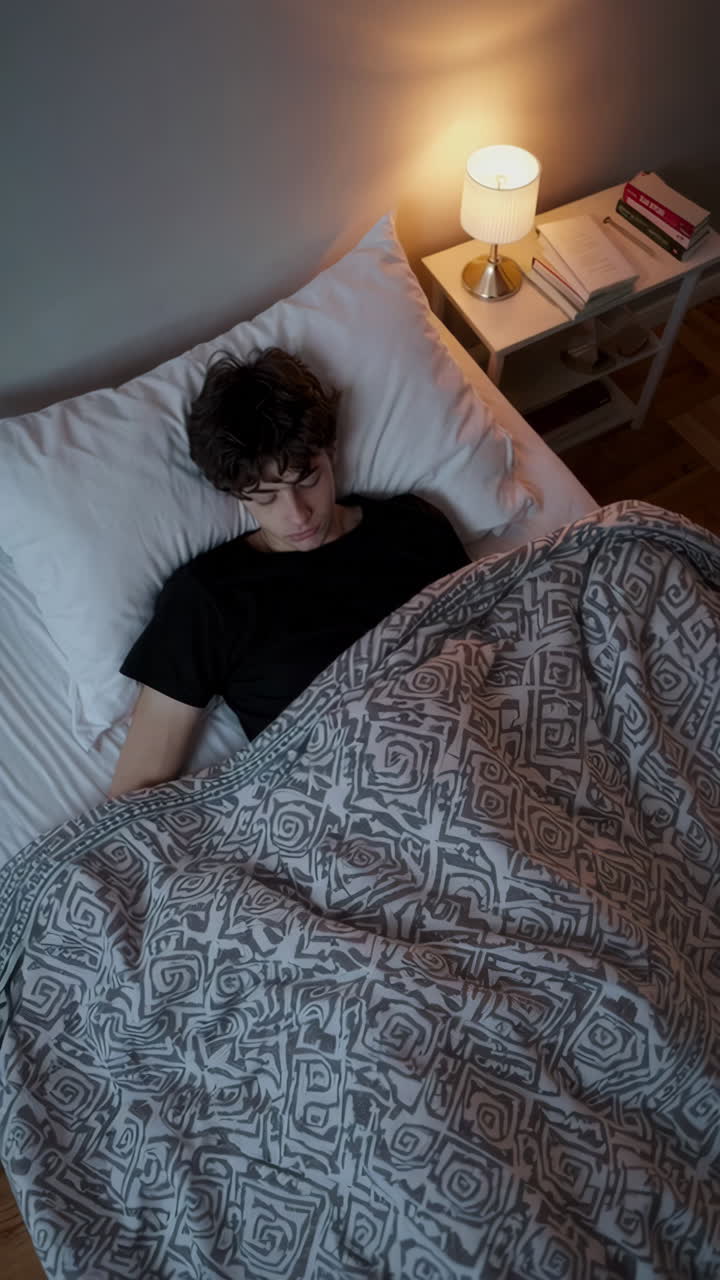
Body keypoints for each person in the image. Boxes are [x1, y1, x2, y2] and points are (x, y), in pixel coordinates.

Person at [109, 348, 470, 798]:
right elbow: (134, 794)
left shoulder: (413, 524)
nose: (297, 514)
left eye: (308, 480)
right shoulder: (208, 598)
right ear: (234, 494)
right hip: (349, 801)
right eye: (265, 497)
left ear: (330, 452)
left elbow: (500, 646)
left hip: (470, 746)